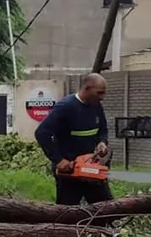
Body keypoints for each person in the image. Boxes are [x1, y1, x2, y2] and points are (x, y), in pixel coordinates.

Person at [35, 73, 112, 205]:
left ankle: (101, 225)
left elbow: (102, 129)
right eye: (99, 93)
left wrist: (102, 142)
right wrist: (58, 160)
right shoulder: (65, 107)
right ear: (87, 88)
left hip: (91, 168)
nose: (102, 97)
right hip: (69, 170)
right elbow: (42, 133)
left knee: (105, 208)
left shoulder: (96, 106)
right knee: (68, 212)